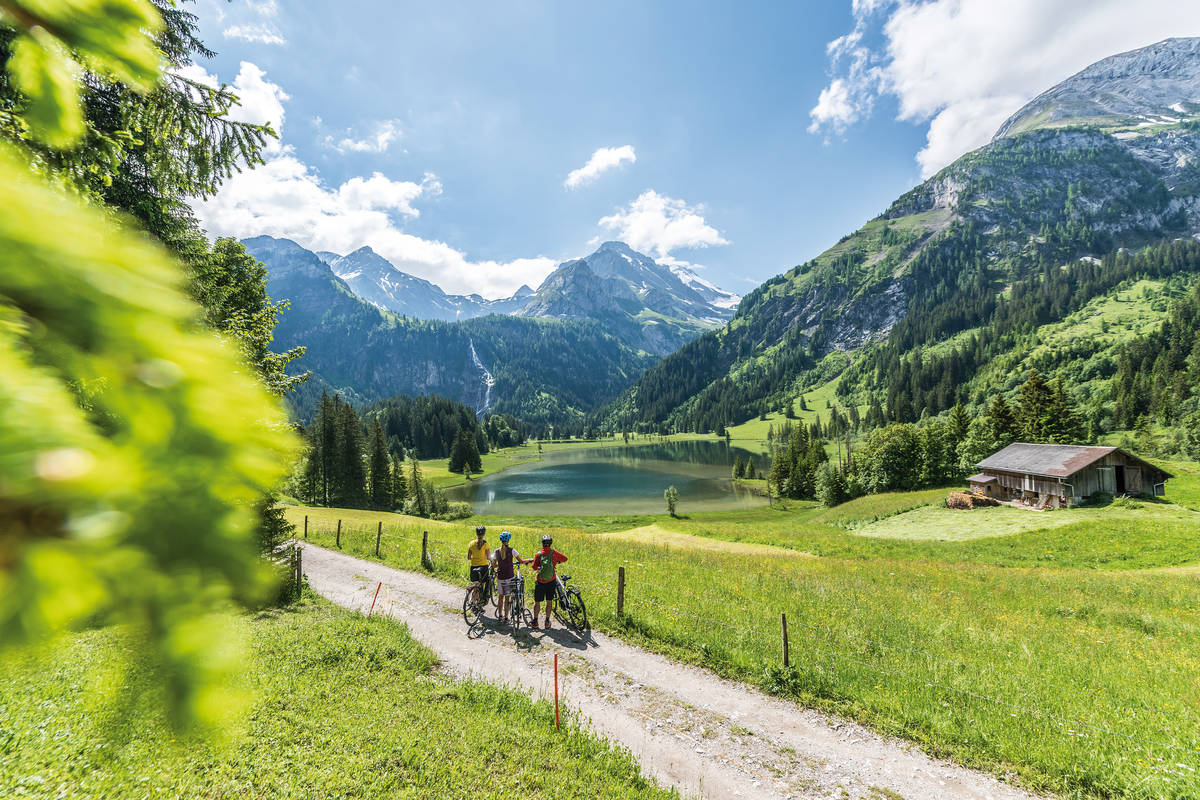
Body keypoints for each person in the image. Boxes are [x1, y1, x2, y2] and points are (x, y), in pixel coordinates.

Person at [490, 530, 529, 623]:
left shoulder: (496, 551)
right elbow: (522, 561)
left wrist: (500, 565)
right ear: (508, 540)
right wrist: (530, 559)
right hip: (509, 577)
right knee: (507, 597)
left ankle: (500, 616)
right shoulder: (512, 551)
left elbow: (494, 565)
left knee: (500, 597)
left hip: (500, 577)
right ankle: (507, 618)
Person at [531, 534, 567, 629]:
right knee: (549, 601)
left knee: (537, 602)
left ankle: (535, 621)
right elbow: (565, 558)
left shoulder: (538, 554)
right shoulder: (554, 553)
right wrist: (556, 561)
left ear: (542, 543)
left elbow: (534, 567)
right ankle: (547, 621)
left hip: (540, 581)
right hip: (551, 581)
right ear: (550, 543)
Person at [465, 525, 490, 605]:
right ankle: (478, 603)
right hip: (483, 567)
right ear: (484, 534)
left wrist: (475, 557)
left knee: (476, 586)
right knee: (481, 585)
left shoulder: (471, 544)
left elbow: (469, 557)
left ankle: (472, 601)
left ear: (476, 534)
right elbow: (488, 557)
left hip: (473, 567)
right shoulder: (486, 544)